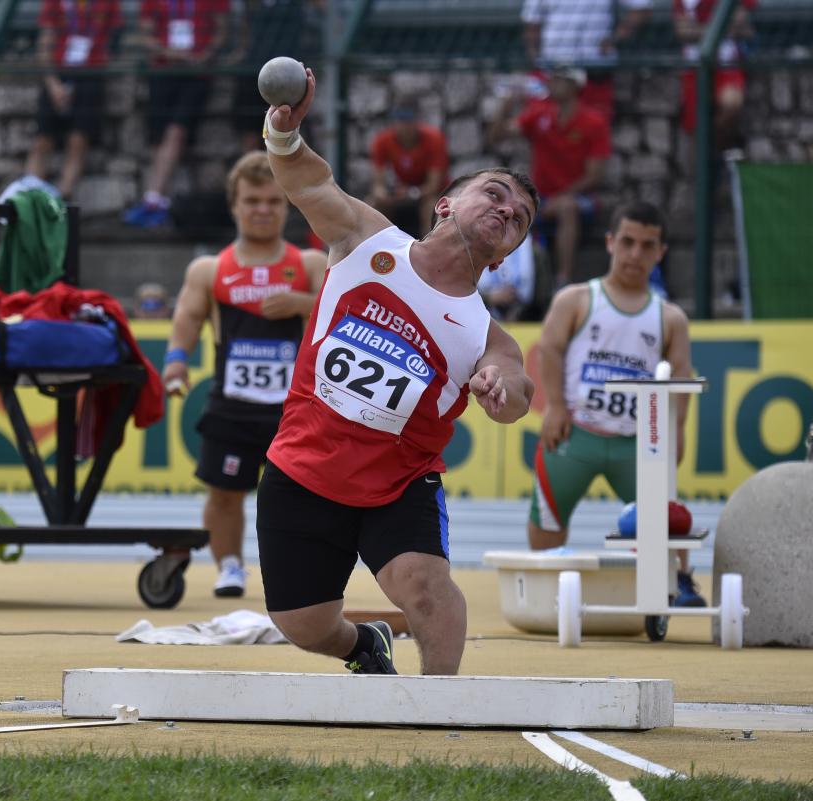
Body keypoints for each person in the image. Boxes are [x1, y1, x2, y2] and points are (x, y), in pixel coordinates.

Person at [256, 68, 539, 675]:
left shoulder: (486, 333)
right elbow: (309, 182)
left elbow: (517, 390)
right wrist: (284, 132)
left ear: (512, 248)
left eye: (519, 217)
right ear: (446, 203)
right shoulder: (366, 240)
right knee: (302, 624)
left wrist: (499, 390)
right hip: (304, 465)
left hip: (396, 483)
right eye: (494, 194)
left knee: (425, 589)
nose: (507, 210)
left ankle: (437, 722)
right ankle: (364, 646)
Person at [162, 151, 327, 597]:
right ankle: (230, 567)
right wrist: (176, 360)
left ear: (285, 206)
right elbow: (188, 318)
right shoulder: (211, 269)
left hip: (293, 411)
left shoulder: (310, 265)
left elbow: (346, 316)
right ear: (235, 205)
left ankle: (295, 573)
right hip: (232, 406)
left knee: (300, 498)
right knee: (223, 493)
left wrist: (301, 304)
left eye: (273, 201)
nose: (262, 210)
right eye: (252, 200)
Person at [527, 200, 706, 607]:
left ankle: (678, 582)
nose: (635, 254)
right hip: (577, 433)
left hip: (637, 444)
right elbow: (549, 351)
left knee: (664, 520)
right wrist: (554, 406)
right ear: (610, 243)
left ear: (660, 252)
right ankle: (542, 588)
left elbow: (679, 380)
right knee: (548, 520)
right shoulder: (576, 299)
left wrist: (676, 432)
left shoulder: (670, 317)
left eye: (647, 246)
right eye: (627, 242)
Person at [489, 65, 611, 289]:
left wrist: (562, 195)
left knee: (566, 207)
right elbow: (498, 136)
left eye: (559, 79)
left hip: (578, 198)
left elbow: (595, 175)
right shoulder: (539, 115)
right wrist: (504, 108)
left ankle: (563, 281)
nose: (552, 83)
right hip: (542, 197)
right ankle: (505, 281)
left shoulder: (593, 122)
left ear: (575, 86)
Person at [122, 0, 229, 228]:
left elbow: (221, 29)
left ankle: (153, 199)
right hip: (163, 70)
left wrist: (204, 55)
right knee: (158, 137)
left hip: (197, 73)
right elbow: (146, 34)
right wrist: (170, 52)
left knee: (176, 132)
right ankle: (159, 198)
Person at [25, 0, 123, 200]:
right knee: (43, 139)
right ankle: (30, 198)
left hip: (91, 75)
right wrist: (53, 84)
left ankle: (62, 199)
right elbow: (45, 42)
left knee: (78, 140)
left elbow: (114, 38)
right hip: (59, 73)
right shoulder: (56, 3)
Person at [521, 0, 652, 120]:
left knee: (594, 128)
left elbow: (642, 8)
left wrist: (614, 39)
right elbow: (532, 24)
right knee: (545, 128)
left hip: (594, 68)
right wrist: (536, 61)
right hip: (553, 69)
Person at [227, 0, 320, 155]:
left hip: (291, 76)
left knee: (295, 135)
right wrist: (240, 53)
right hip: (254, 71)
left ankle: (295, 177)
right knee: (251, 137)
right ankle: (255, 175)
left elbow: (325, 8)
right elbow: (246, 25)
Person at [673, 0, 756, 152]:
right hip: (694, 66)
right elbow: (682, 31)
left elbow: (741, 21)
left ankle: (717, 151)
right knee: (695, 128)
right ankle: (707, 162)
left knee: (732, 104)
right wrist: (723, 30)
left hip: (728, 63)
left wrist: (699, 30)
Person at [366, 98, 450, 239]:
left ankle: (429, 250)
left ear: (417, 120)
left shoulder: (434, 139)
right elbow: (378, 184)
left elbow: (433, 185)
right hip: (402, 193)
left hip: (427, 195)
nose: (404, 125)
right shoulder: (382, 141)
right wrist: (383, 194)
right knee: (373, 204)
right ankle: (374, 251)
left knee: (431, 206)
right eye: (400, 119)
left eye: (408, 119)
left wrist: (412, 193)